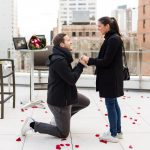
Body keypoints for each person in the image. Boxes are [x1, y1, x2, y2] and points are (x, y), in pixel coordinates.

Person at [21, 33, 90, 138]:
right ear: (62, 44)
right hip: (60, 102)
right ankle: (32, 124)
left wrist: (79, 64)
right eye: (68, 40)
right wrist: (80, 65)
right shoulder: (59, 60)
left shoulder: (63, 57)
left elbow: (69, 76)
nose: (71, 42)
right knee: (63, 133)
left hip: (67, 95)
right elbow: (71, 80)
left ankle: (59, 119)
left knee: (85, 101)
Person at [81, 17, 124, 143]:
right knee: (114, 104)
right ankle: (117, 131)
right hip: (112, 77)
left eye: (99, 26)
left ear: (107, 26)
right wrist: (92, 60)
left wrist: (89, 60)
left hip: (110, 78)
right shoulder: (113, 38)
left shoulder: (113, 39)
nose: (98, 28)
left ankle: (113, 134)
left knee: (111, 104)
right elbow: (106, 59)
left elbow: (106, 61)